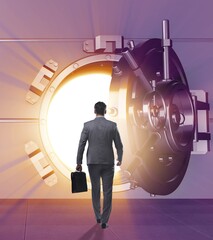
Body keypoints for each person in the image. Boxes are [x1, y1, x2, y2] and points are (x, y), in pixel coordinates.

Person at [76, 101, 123, 229]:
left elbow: (82, 144)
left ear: (94, 111)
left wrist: (78, 162)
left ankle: (97, 215)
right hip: (108, 162)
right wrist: (119, 158)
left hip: (93, 162)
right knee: (108, 192)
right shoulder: (112, 126)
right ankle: (104, 221)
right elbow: (119, 144)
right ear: (105, 111)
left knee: (95, 190)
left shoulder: (87, 126)